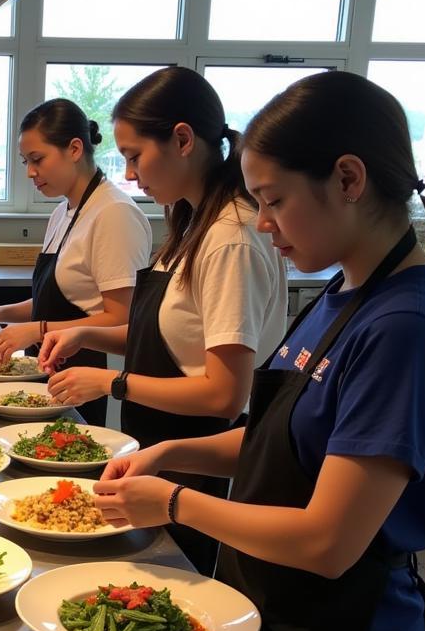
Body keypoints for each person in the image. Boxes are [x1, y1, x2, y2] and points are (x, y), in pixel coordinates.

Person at [93, 71, 425, 631]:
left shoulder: (403, 326)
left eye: (275, 200)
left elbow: (327, 539)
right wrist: (170, 452)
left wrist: (176, 504)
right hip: (281, 617)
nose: (262, 222)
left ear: (348, 179)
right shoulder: (344, 291)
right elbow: (280, 436)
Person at [39, 68, 286, 575]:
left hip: (202, 464)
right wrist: (85, 332)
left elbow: (224, 394)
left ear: (182, 139)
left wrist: (112, 380)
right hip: (161, 450)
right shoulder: (192, 223)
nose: (129, 174)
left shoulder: (230, 238)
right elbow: (173, 335)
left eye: (134, 156)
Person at [0, 98, 151, 426]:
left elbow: (122, 318)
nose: (30, 172)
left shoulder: (114, 214)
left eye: (37, 159)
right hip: (47, 373)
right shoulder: (63, 211)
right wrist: (1, 314)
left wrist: (38, 329)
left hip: (83, 379)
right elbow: (63, 300)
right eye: (25, 161)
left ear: (75, 149)